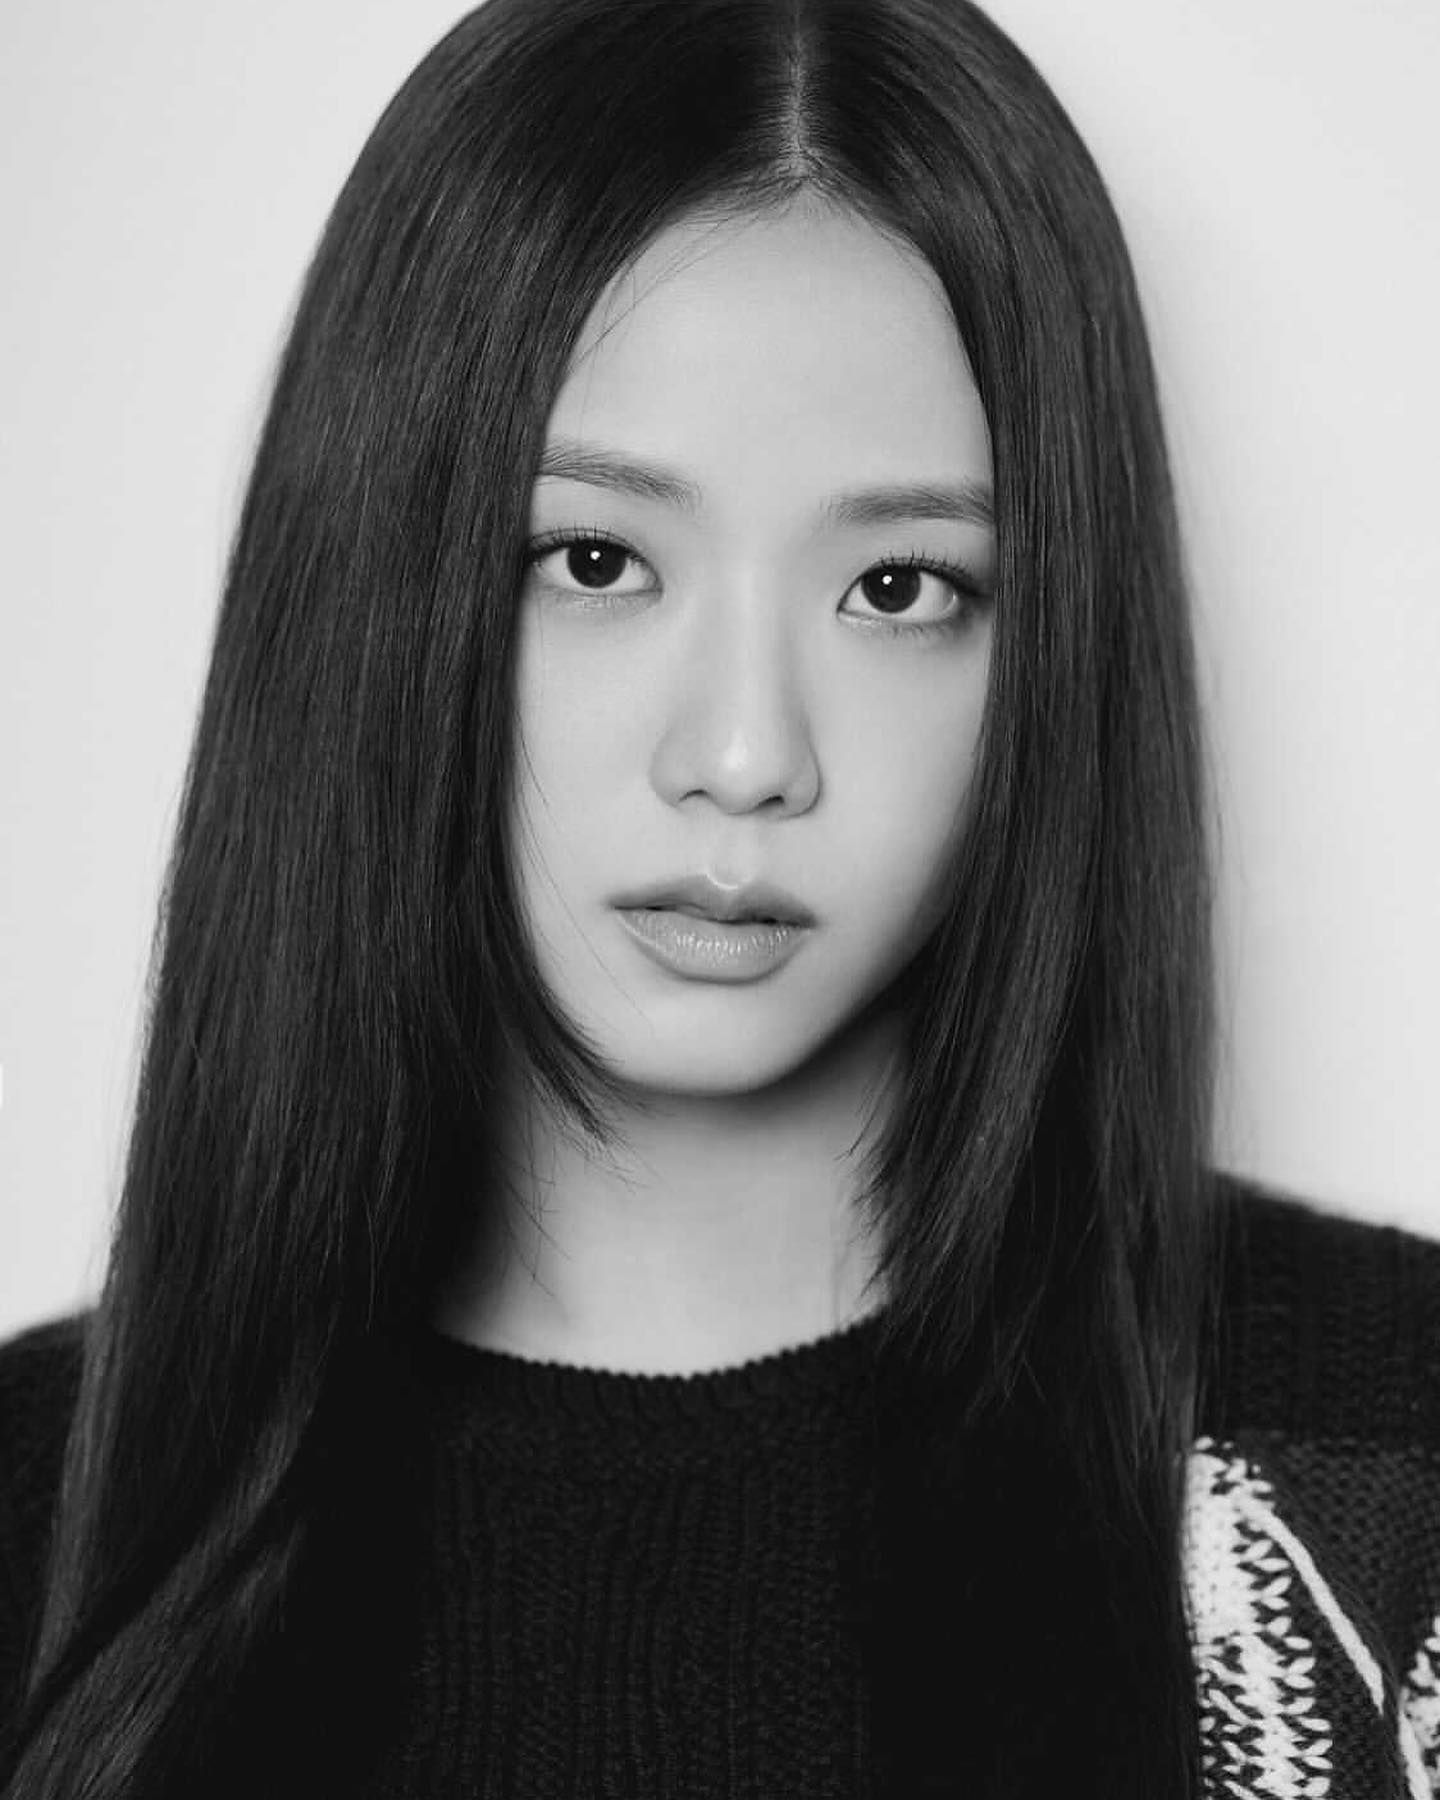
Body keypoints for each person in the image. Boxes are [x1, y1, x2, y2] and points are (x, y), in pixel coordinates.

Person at [0, 0, 1436, 1793]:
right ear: (379, 583)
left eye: (901, 587)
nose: (747, 754)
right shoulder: (43, 1533)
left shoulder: (1387, 1474)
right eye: (596, 560)